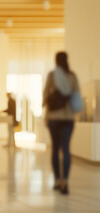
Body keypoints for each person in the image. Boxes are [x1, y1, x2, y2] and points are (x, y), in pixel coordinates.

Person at [43, 51, 80, 195]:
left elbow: (46, 95)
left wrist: (46, 115)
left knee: (55, 149)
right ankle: (65, 181)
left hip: (54, 118)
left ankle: (57, 180)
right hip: (68, 118)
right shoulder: (72, 76)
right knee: (66, 149)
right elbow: (76, 96)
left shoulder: (52, 76)